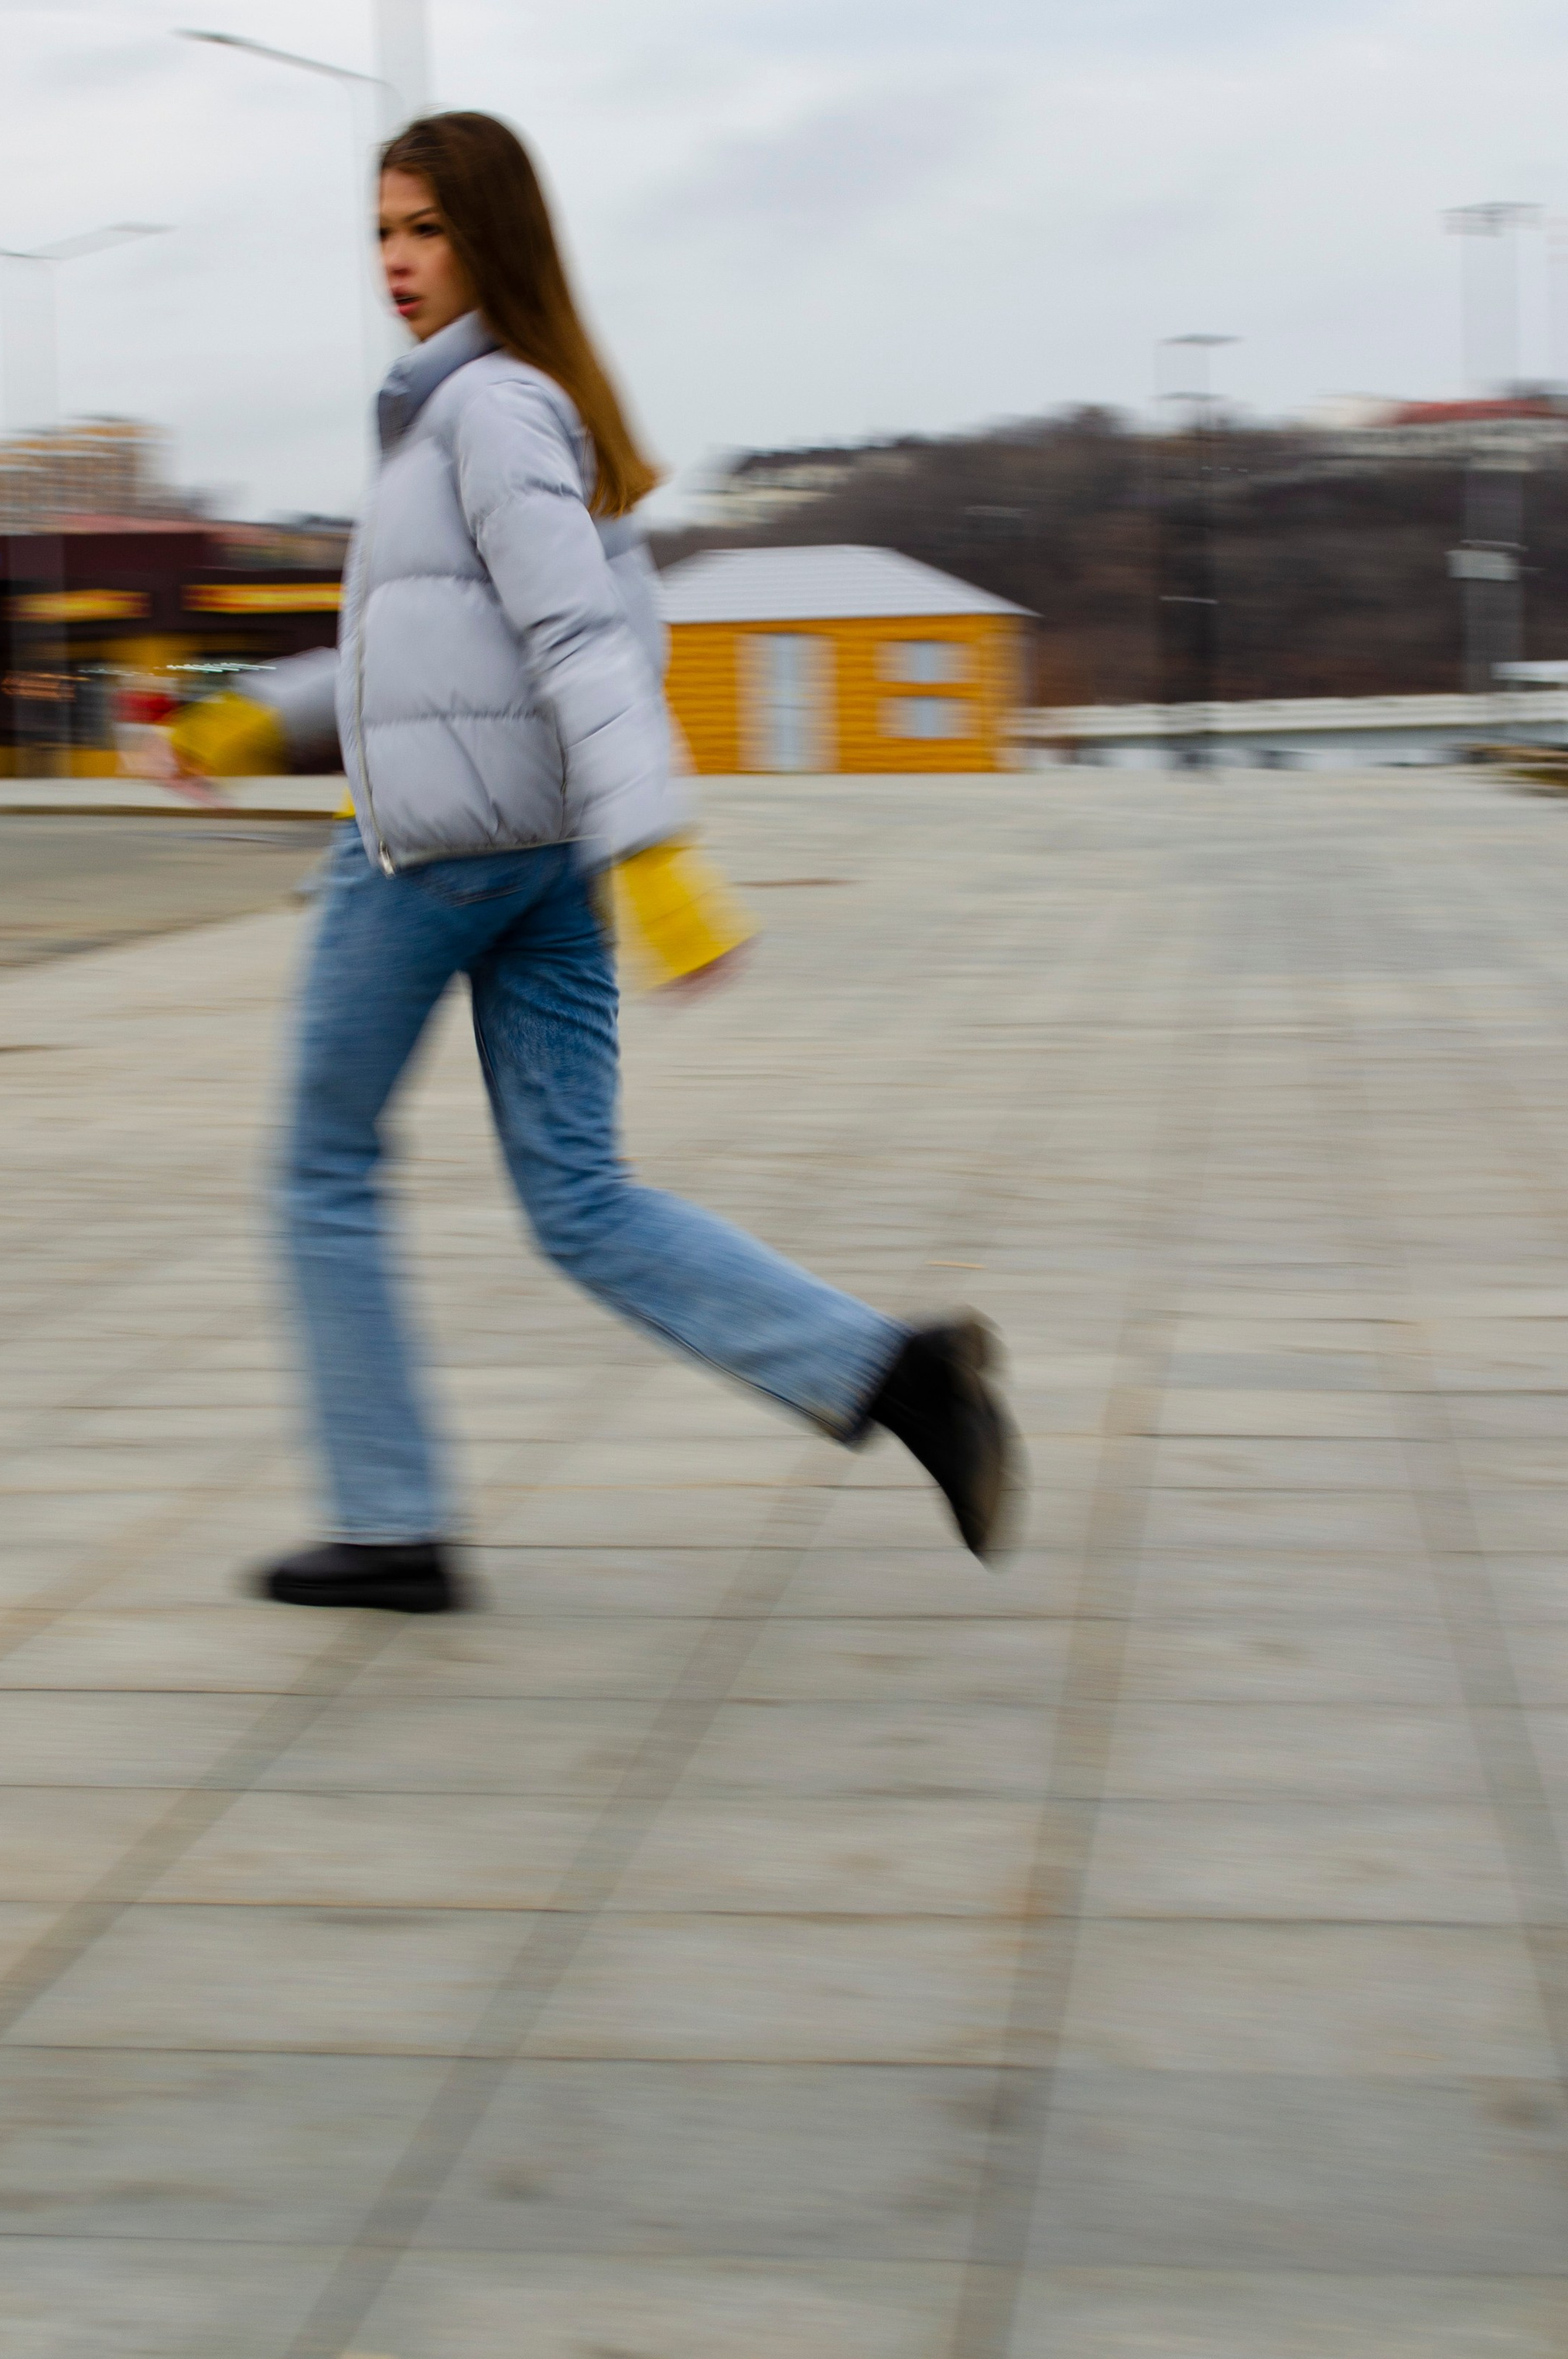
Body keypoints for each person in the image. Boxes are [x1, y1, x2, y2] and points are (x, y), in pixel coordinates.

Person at [147, 111, 1021, 1612]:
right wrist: (249, 720)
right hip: (542, 865)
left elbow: (575, 646)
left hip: (433, 864)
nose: (396, 260)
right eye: (381, 231)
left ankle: (390, 1521)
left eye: (425, 229)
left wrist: (659, 850)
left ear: (491, 238)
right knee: (579, 1196)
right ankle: (893, 1374)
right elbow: (451, 664)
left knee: (321, 1166)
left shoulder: (483, 411)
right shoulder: (534, 413)